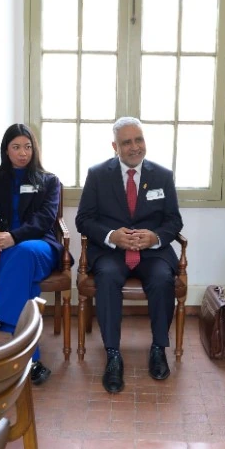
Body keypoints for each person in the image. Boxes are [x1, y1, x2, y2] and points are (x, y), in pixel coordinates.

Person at [76, 117, 184, 394]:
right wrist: (112, 236)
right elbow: (84, 220)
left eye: (139, 140)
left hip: (153, 253)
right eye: (127, 142)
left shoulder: (162, 175)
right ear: (115, 146)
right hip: (111, 252)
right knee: (108, 277)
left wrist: (155, 237)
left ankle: (158, 348)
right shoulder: (98, 174)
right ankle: (113, 354)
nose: (135, 147)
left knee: (162, 279)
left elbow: (173, 221)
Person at [0, 123, 63, 385]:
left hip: (39, 247)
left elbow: (45, 220)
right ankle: (31, 362)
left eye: (28, 147)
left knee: (23, 254)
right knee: (24, 281)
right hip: (0, 252)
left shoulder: (49, 181)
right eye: (16, 147)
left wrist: (14, 237)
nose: (23, 153)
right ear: (6, 150)